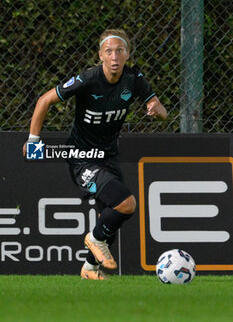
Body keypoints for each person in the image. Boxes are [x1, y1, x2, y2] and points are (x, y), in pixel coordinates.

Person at [23, 29, 167, 280]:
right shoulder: (87, 79)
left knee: (110, 215)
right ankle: (94, 238)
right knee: (126, 203)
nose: (114, 56)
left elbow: (162, 111)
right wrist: (33, 141)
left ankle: (90, 269)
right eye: (109, 51)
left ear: (127, 54)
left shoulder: (134, 79)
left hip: (108, 156)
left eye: (119, 51)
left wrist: (156, 107)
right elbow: (44, 101)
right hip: (81, 158)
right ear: (100, 55)